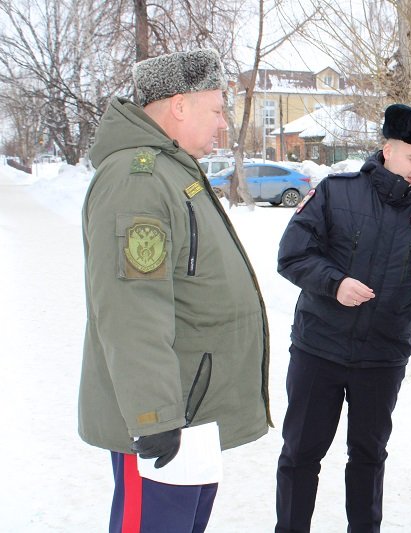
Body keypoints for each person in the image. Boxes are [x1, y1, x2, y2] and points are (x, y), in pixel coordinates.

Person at [78, 49, 272, 533]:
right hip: (168, 415)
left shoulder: (170, 169)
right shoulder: (137, 178)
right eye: (217, 108)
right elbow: (131, 309)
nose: (224, 123)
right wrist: (154, 415)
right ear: (179, 105)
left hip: (191, 408)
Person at [275, 103, 411, 532]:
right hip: (319, 350)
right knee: (301, 453)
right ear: (387, 149)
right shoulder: (335, 192)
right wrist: (335, 283)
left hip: (382, 359)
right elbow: (293, 255)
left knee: (368, 457)